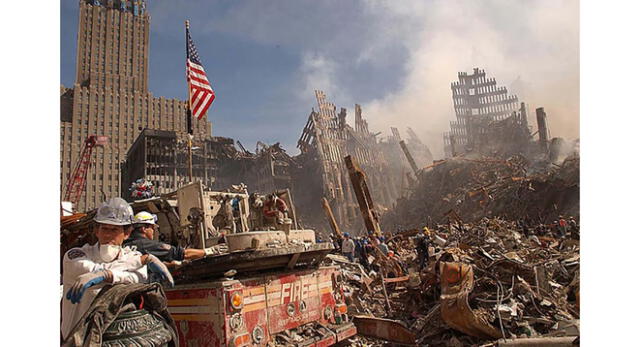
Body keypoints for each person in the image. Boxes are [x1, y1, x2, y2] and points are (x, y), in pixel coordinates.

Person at [61, 198, 173, 340]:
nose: (108, 235)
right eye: (104, 229)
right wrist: (140, 261)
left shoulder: (132, 256)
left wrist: (107, 275)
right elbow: (91, 269)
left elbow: (137, 279)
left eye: (114, 230)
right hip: (76, 339)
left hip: (116, 338)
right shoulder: (75, 256)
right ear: (96, 231)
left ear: (126, 233)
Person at [124, 211, 218, 265]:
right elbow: (181, 253)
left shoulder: (125, 244)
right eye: (152, 228)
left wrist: (172, 264)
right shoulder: (146, 245)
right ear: (144, 228)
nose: (154, 231)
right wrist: (210, 251)